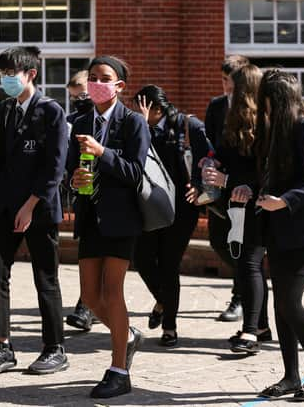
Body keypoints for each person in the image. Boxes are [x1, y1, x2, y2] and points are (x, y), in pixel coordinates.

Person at [0, 46, 69, 376]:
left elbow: (55, 167)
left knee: (45, 277)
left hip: (39, 209)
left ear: (31, 74)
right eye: (1, 74)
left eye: (10, 74)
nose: (5, 80)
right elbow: (1, 157)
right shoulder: (7, 109)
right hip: (7, 205)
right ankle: (2, 345)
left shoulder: (51, 111)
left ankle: (54, 347)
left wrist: (31, 205)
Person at [67, 56, 149, 398]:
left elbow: (134, 173)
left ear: (120, 86)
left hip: (121, 218)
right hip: (89, 215)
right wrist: (74, 179)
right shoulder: (79, 121)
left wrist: (103, 153)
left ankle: (119, 370)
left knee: (113, 291)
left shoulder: (132, 123)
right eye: (93, 77)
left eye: (106, 78)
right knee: (89, 295)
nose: (98, 83)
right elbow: (70, 169)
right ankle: (126, 334)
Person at [255, 69, 304, 401]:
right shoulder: (278, 132)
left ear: (278, 101)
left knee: (290, 302)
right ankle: (291, 375)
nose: (264, 110)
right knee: (280, 303)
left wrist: (282, 201)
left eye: (266, 102)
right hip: (280, 228)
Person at [202, 64, 271, 354]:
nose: (230, 88)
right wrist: (213, 163)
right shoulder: (233, 116)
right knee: (240, 260)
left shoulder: (268, 122)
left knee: (250, 264)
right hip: (233, 200)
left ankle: (251, 331)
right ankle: (262, 326)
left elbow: (268, 169)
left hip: (256, 202)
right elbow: (225, 152)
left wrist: (229, 179)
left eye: (236, 84)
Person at [132, 85, 207, 347]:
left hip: (183, 209)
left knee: (168, 265)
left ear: (157, 108)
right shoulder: (141, 127)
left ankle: (170, 326)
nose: (136, 112)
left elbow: (208, 158)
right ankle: (163, 301)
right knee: (141, 258)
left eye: (141, 108)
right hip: (152, 206)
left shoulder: (189, 126)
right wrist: (141, 126)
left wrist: (199, 185)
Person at [204, 54, 249, 322]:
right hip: (218, 186)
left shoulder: (253, 108)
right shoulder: (216, 105)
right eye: (223, 81)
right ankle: (250, 280)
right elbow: (210, 141)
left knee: (239, 244)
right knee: (218, 241)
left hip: (242, 186)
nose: (227, 87)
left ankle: (241, 296)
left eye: (232, 82)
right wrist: (208, 160)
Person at [64, 70, 97, 332]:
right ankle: (87, 306)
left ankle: (88, 306)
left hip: (109, 193)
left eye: (83, 96)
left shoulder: (105, 119)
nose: (79, 101)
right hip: (83, 191)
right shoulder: (72, 121)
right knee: (88, 250)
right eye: (74, 97)